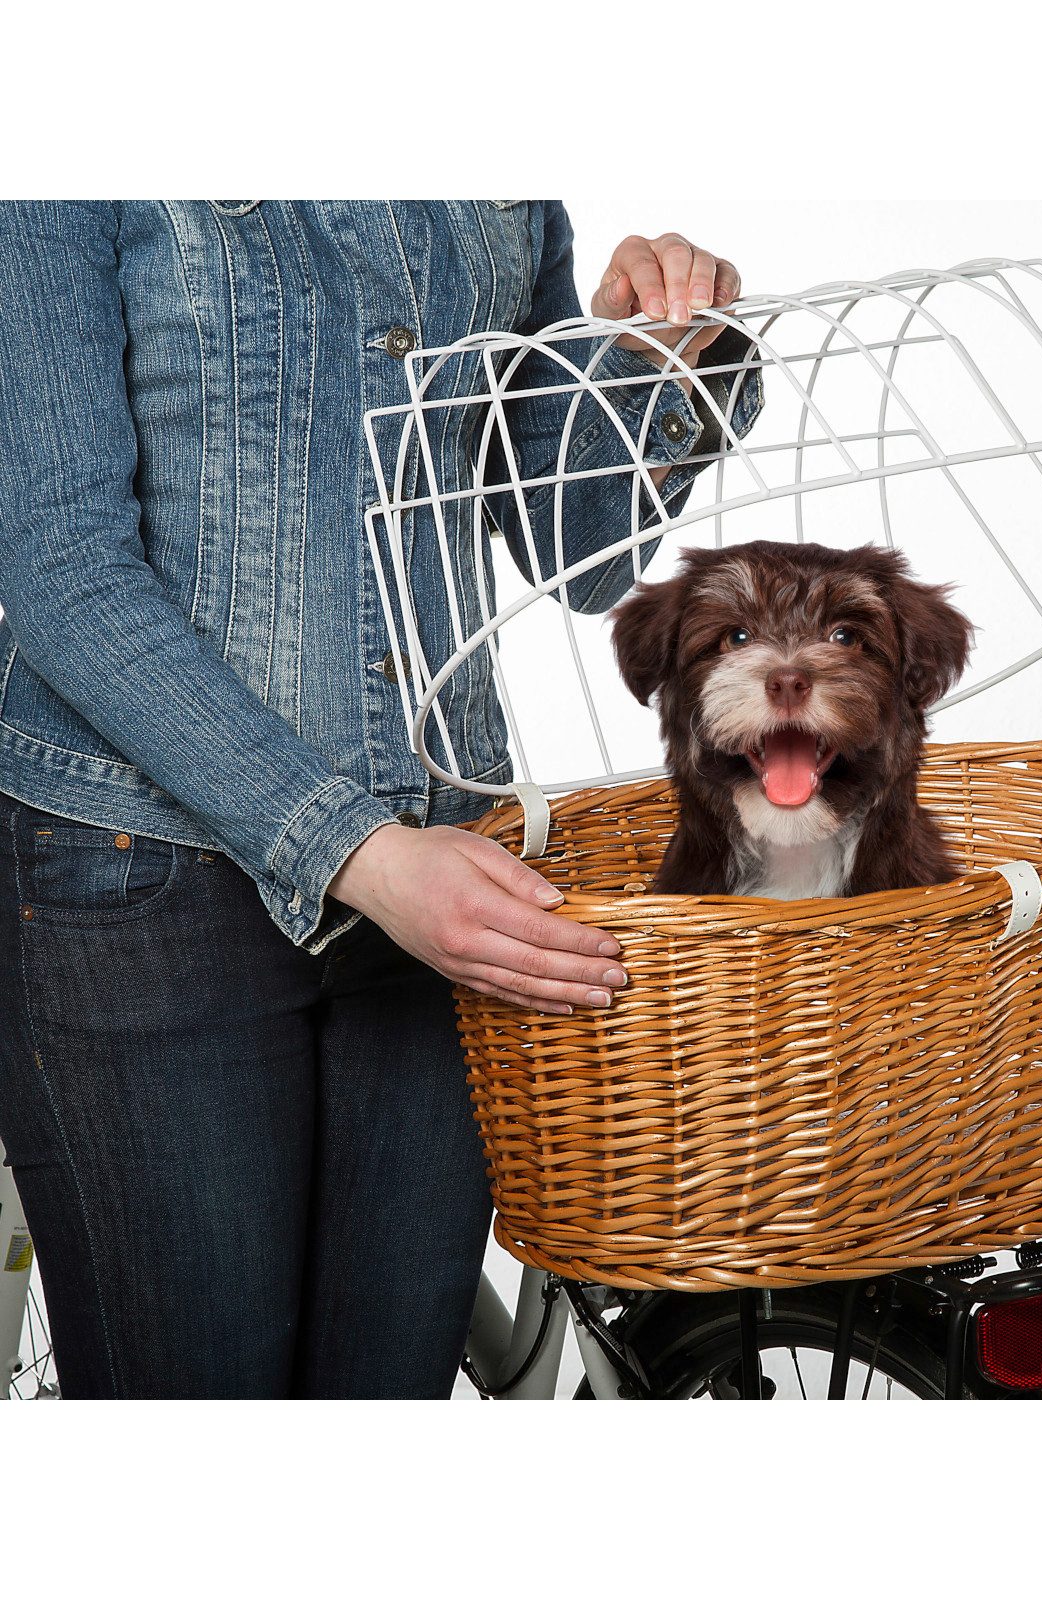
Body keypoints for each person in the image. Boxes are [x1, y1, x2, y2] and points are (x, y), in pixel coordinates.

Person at [0, 202, 760, 1398]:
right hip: (147, 876)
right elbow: (59, 570)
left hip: (443, 874)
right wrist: (352, 848)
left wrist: (646, 365)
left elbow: (581, 544)